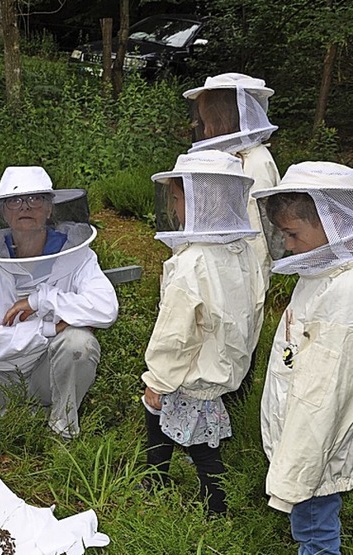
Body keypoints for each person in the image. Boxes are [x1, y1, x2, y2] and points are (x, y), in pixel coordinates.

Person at [0, 166, 119, 440]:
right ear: (3, 212)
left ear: (49, 209)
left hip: (50, 367)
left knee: (79, 342)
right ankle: (37, 418)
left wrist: (39, 300)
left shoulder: (77, 254)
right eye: (15, 201)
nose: (26, 207)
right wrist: (47, 329)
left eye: (36, 200)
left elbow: (105, 308)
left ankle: (63, 431)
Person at [141, 150, 266, 516]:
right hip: (220, 366)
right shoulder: (242, 252)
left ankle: (217, 507)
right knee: (170, 422)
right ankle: (156, 476)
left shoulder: (191, 262)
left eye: (177, 198)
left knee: (200, 445)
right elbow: (255, 310)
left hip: (190, 373)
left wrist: (158, 379)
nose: (174, 207)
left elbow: (175, 333)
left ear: (199, 200)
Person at [253, 161, 353, 554]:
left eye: (293, 234)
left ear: (333, 222)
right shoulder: (322, 277)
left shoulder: (342, 296)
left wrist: (295, 469)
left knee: (314, 530)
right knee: (315, 520)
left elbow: (322, 397)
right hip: (307, 441)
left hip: (314, 446)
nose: (289, 246)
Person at [183, 72, 283, 402]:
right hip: (213, 267)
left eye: (208, 119)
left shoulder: (256, 162)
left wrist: (242, 282)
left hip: (240, 273)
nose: (203, 127)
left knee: (235, 340)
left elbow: (261, 232)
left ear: (226, 116)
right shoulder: (223, 157)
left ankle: (228, 418)